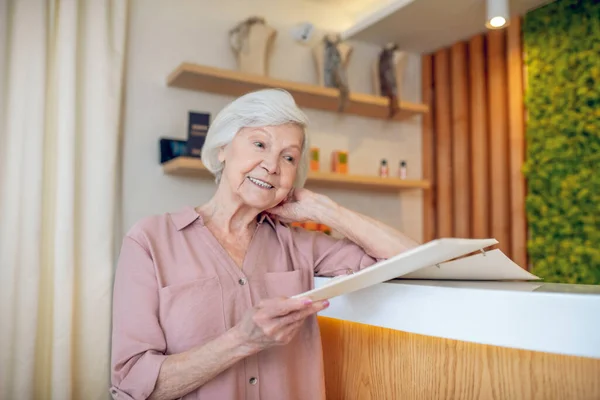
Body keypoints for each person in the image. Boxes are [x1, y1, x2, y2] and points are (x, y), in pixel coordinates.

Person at [110, 89, 419, 400]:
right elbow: (133, 386)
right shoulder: (150, 241)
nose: (273, 165)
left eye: (289, 157)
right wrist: (241, 340)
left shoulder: (300, 246)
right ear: (222, 149)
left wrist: (325, 211)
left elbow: (413, 260)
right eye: (260, 144)